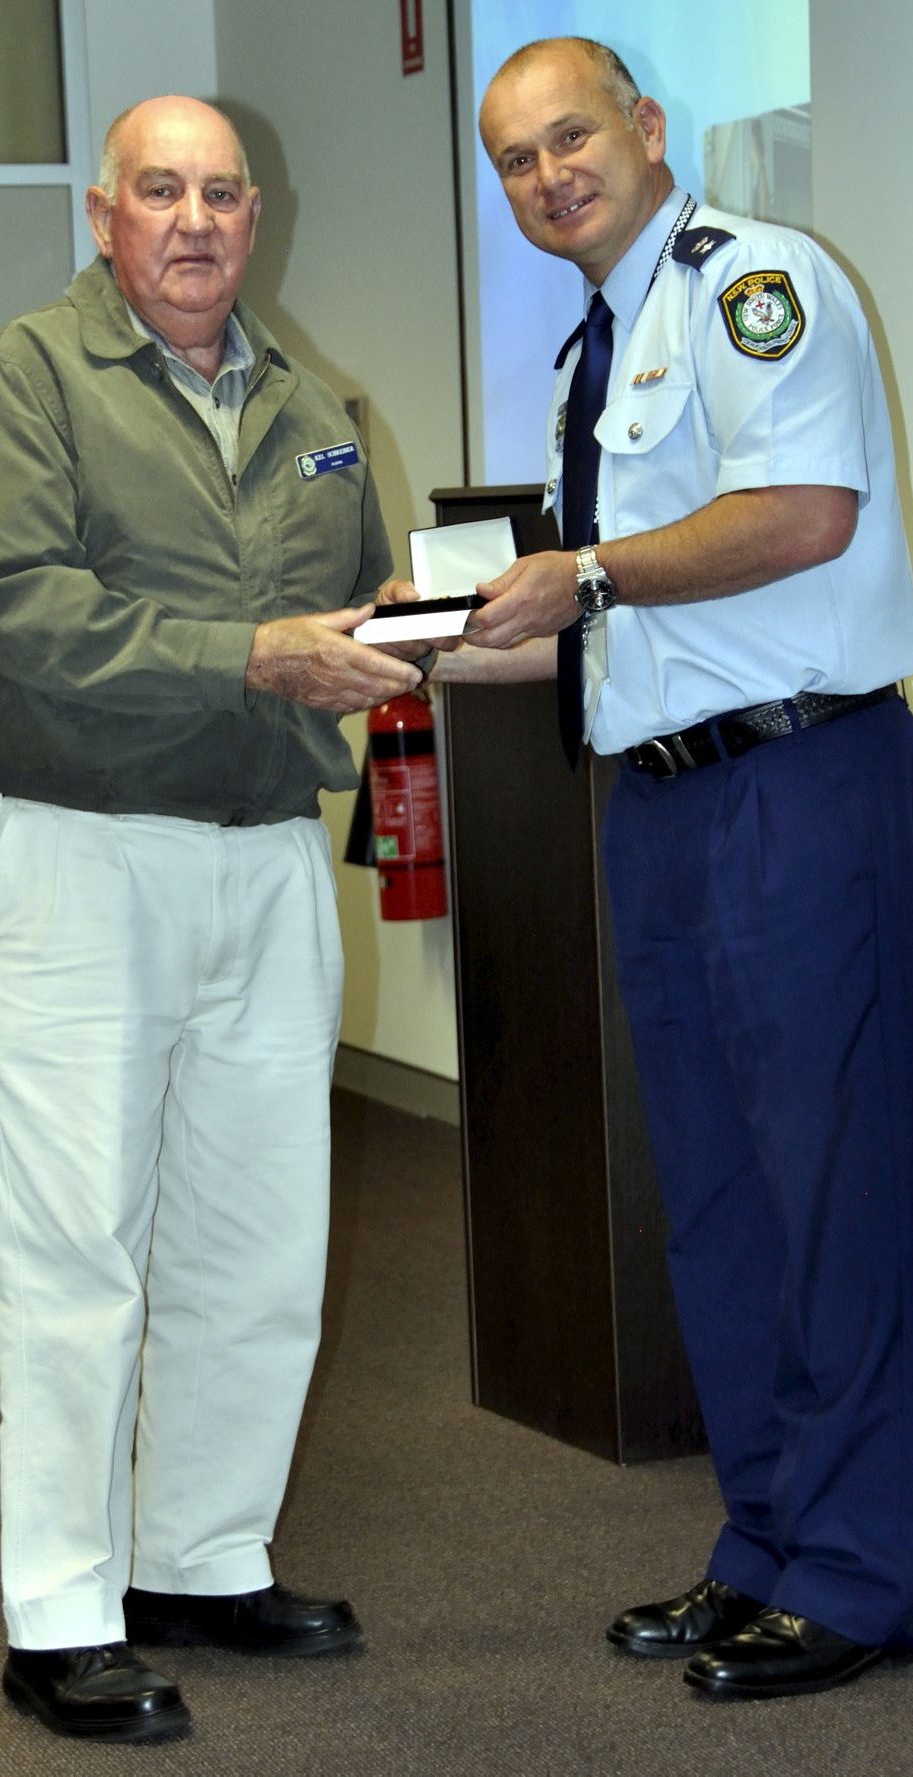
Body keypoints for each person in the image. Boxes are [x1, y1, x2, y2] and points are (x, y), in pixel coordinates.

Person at [437, 35, 913, 1700]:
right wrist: (406, 646)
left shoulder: (749, 284)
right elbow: (597, 612)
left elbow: (805, 514)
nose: (548, 175)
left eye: (572, 137)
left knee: (830, 1189)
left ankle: (865, 1566)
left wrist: (585, 573)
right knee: (712, 1196)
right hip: (659, 803)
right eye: (514, 160)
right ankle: (766, 1542)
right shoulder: (607, 339)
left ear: (648, 128)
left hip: (798, 790)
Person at [0, 95, 427, 1742]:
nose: (196, 221)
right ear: (104, 216)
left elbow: (363, 606)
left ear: (253, 215)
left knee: (254, 1239)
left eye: (222, 192)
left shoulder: (319, 405)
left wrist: (445, 627)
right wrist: (248, 656)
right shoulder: (32, 376)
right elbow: (16, 613)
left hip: (265, 861)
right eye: (161, 191)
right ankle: (63, 1608)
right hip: (90, 856)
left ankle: (204, 1557)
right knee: (82, 1247)